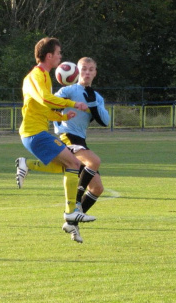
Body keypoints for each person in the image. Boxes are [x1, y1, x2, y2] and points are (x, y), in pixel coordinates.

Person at [15, 37, 96, 242]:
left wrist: (61, 116)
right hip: (34, 133)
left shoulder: (44, 76)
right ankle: (70, 213)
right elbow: (45, 99)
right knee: (74, 163)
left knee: (71, 167)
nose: (61, 57)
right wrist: (72, 104)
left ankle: (70, 218)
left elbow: (43, 108)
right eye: (59, 53)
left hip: (37, 132)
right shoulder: (35, 75)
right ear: (49, 55)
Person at [54, 57, 110, 243]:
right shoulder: (69, 90)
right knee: (94, 161)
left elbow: (105, 121)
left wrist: (93, 105)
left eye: (91, 69)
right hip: (67, 137)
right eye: (84, 69)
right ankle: (76, 203)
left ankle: (72, 223)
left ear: (95, 73)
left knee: (97, 188)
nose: (87, 72)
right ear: (77, 72)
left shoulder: (96, 96)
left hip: (81, 139)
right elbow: (51, 104)